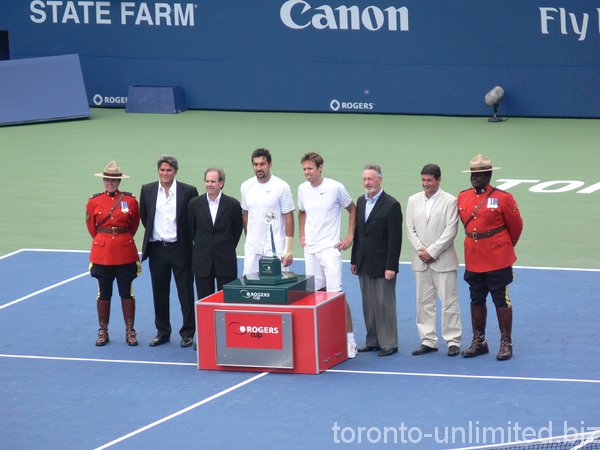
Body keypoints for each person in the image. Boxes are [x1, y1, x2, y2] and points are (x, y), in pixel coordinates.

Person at [458, 154, 523, 361]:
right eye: (472, 174)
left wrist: (502, 246)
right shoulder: (463, 196)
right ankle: (479, 341)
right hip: (474, 257)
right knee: (476, 298)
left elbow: (516, 226)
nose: (474, 178)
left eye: (478, 174)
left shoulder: (503, 198)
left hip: (497, 258)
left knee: (500, 300)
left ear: (488, 174)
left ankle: (506, 342)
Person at [297, 152, 358, 358]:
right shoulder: (302, 189)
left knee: (336, 296)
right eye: (304, 169)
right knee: (315, 295)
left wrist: (349, 236)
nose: (307, 173)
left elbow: (352, 209)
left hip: (330, 249)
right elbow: (302, 212)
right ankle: (323, 338)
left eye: (310, 169)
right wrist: (302, 234)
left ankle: (350, 340)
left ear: (320, 168)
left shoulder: (335, 187)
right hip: (310, 250)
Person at [139, 155, 199, 348]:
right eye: (162, 170)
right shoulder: (147, 190)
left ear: (175, 172)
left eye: (169, 170)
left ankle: (188, 333)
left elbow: (192, 219)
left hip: (180, 249)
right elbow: (145, 217)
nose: (165, 173)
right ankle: (162, 332)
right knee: (159, 293)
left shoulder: (188, 191)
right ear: (158, 171)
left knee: (185, 293)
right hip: (157, 249)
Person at [406, 164, 462, 357]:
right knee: (423, 302)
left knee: (449, 302)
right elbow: (410, 229)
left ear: (439, 180)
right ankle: (428, 340)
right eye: (423, 180)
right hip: (421, 261)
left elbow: (450, 231)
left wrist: (432, 251)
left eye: (429, 180)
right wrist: (422, 251)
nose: (426, 184)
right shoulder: (413, 200)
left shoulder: (450, 201)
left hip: (443, 261)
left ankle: (453, 340)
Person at [85, 161, 141, 346]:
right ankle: (103, 330)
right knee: (104, 293)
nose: (111, 183)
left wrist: (120, 238)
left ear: (119, 181)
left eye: (114, 180)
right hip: (102, 254)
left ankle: (129, 331)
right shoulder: (94, 201)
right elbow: (93, 228)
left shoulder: (130, 200)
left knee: (126, 292)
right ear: (103, 180)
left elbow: (133, 225)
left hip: (124, 253)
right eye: (108, 179)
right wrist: (106, 240)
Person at [351, 164, 403, 357]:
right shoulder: (361, 202)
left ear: (380, 180)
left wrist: (391, 266)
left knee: (384, 304)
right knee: (369, 305)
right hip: (364, 263)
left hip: (383, 265)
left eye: (370, 179)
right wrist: (354, 259)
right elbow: (358, 234)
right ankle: (373, 340)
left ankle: (389, 342)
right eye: (364, 179)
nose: (367, 183)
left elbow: (395, 239)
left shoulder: (392, 205)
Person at [187, 168, 243, 299]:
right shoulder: (194, 204)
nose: (209, 184)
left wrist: (224, 246)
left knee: (227, 300)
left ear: (221, 183)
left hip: (225, 261)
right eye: (207, 181)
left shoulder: (233, 204)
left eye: (213, 181)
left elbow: (236, 231)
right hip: (202, 262)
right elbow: (191, 230)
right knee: (204, 301)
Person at [241, 148, 295, 276]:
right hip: (253, 248)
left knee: (277, 288)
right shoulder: (246, 186)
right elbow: (246, 214)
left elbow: (289, 217)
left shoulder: (282, 186)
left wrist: (288, 249)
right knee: (250, 286)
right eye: (255, 164)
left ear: (269, 165)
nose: (259, 168)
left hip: (276, 248)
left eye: (262, 164)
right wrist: (250, 238)